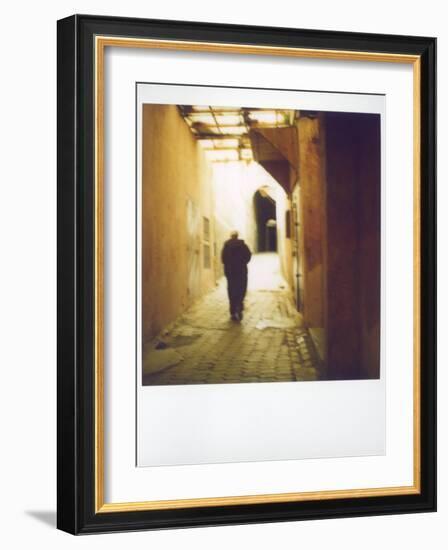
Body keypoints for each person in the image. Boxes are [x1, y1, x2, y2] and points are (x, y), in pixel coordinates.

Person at [221, 230, 252, 321]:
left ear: (231, 236)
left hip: (230, 272)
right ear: (237, 236)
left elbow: (223, 259)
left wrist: (228, 265)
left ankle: (233, 311)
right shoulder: (243, 245)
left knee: (231, 290)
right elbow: (248, 256)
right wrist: (242, 263)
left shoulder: (226, 245)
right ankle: (239, 305)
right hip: (241, 271)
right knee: (241, 288)